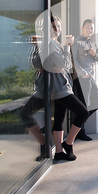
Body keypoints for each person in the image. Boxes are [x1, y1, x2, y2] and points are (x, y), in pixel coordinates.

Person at [29, 16, 89, 161]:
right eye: (53, 27)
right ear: (46, 29)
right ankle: (67, 144)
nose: (57, 29)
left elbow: (58, 64)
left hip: (60, 86)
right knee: (83, 113)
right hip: (59, 89)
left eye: (59, 26)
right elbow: (66, 64)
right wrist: (67, 46)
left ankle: (59, 151)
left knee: (60, 118)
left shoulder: (53, 43)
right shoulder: (50, 43)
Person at [71, 18, 98, 141]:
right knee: (84, 106)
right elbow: (73, 60)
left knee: (96, 103)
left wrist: (94, 54)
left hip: (91, 77)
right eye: (88, 27)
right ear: (82, 28)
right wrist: (82, 73)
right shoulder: (76, 42)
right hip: (81, 77)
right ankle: (80, 132)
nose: (90, 30)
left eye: (91, 28)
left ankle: (77, 126)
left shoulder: (93, 43)